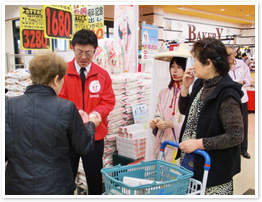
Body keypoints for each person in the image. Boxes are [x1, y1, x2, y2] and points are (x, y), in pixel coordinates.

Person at [5, 51, 101, 195]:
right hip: (55, 188)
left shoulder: (9, 106)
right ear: (56, 79)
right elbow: (84, 146)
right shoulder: (66, 108)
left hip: (16, 188)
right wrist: (91, 124)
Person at [177, 38, 244, 195]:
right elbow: (186, 111)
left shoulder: (227, 94)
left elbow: (235, 135)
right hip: (192, 161)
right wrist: (185, 88)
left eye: (195, 60)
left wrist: (199, 144)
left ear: (208, 63)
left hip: (213, 170)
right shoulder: (201, 83)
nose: (192, 65)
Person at [59, 29, 115, 195]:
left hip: (95, 134)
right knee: (66, 178)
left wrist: (96, 114)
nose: (84, 57)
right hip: (68, 134)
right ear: (73, 48)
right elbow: (60, 99)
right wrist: (77, 113)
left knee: (94, 178)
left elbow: (108, 101)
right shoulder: (62, 73)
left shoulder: (102, 75)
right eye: (79, 52)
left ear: (95, 51)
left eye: (88, 53)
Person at [149, 56, 186, 163]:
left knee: (176, 173)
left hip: (180, 144)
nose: (174, 71)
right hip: (163, 142)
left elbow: (190, 124)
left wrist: (171, 125)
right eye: (172, 67)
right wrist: (156, 121)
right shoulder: (163, 92)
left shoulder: (188, 94)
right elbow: (159, 112)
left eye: (179, 67)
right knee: (162, 173)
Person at [227, 46, 252, 159]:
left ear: (234, 54)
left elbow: (248, 79)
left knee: (244, 125)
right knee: (231, 126)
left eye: (230, 54)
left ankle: (244, 149)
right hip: (230, 101)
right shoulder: (222, 68)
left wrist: (242, 82)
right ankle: (234, 150)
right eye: (226, 55)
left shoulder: (242, 64)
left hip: (242, 100)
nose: (229, 57)